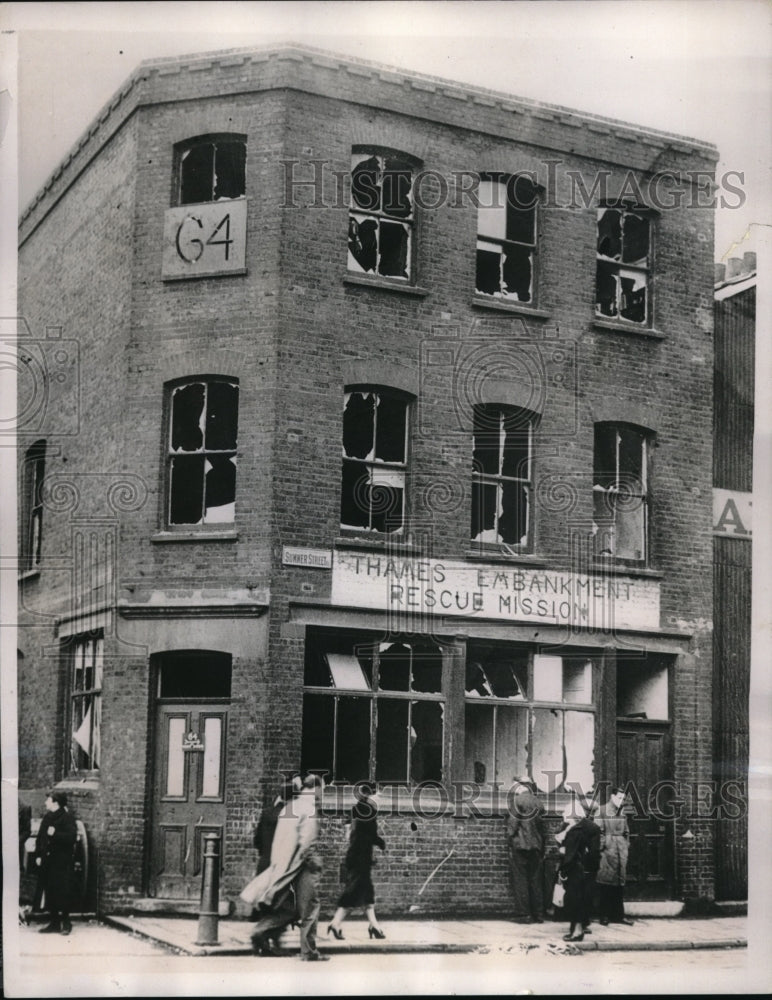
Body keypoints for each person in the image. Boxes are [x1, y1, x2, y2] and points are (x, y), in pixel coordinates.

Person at [248, 773, 329, 961]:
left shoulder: (290, 806)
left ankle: (262, 932)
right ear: (315, 788)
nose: (322, 794)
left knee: (288, 908)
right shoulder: (308, 808)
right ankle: (308, 951)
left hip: (282, 864)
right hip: (300, 866)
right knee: (310, 907)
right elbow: (307, 842)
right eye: (322, 790)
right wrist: (315, 864)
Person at [327, 782, 386, 940]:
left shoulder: (358, 809)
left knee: (367, 894)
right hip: (360, 858)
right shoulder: (367, 811)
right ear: (370, 795)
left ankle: (374, 926)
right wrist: (381, 843)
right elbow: (368, 835)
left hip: (357, 857)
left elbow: (355, 832)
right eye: (378, 795)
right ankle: (336, 923)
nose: (380, 798)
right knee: (354, 893)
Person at [556, 795, 601, 943]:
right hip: (585, 870)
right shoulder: (589, 827)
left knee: (576, 901)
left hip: (577, 870)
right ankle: (576, 930)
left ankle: (577, 932)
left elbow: (573, 855)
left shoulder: (577, 829)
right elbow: (594, 852)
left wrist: (563, 871)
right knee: (580, 901)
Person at [35, 790, 78, 935]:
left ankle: (66, 922)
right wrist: (38, 855)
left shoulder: (67, 818)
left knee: (63, 892)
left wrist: (56, 834)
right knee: (50, 891)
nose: (46, 802)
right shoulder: (47, 817)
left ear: (55, 803)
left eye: (48, 800)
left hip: (61, 863)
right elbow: (40, 837)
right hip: (47, 861)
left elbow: (71, 838)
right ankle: (54, 922)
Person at [506, 776, 546, 924]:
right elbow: (542, 828)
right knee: (536, 880)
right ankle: (539, 914)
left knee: (520, 879)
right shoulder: (538, 802)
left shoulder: (517, 801)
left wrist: (509, 840)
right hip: (536, 846)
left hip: (521, 845)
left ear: (520, 787)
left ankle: (524, 915)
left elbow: (513, 825)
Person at [595, 787, 634, 926]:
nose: (621, 801)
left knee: (619, 883)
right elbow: (597, 831)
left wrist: (625, 845)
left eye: (623, 799)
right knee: (606, 882)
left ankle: (618, 915)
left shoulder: (622, 811)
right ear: (612, 796)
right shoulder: (602, 810)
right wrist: (604, 845)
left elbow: (626, 831)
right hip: (608, 850)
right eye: (619, 798)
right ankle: (604, 915)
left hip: (620, 851)